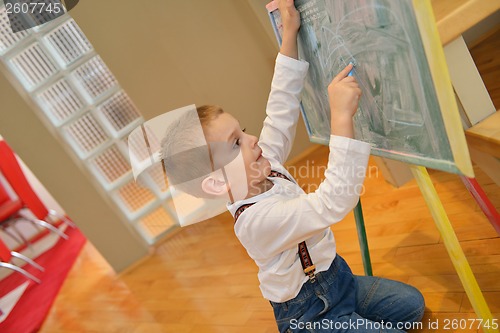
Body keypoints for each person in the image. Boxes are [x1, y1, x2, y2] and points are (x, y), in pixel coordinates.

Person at [160, 0, 425, 331]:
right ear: (216, 183)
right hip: (311, 313)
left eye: (242, 130)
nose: (252, 138)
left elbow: (281, 106)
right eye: (235, 143)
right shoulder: (255, 222)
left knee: (412, 307)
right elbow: (334, 201)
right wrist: (340, 117)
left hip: (339, 280)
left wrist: (289, 35)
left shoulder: (262, 164)